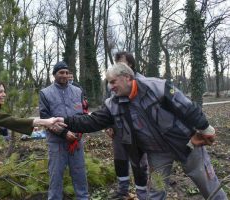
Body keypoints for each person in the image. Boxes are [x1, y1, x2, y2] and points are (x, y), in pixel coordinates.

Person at [54, 63, 227, 200]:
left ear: (127, 77)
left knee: (207, 182)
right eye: (109, 83)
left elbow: (186, 107)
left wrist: (204, 128)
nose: (110, 87)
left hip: (187, 144)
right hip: (157, 154)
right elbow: (92, 121)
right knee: (156, 191)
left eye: (113, 81)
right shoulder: (113, 104)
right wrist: (65, 121)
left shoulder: (157, 87)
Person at [39, 61, 89, 200]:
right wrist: (64, 133)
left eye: (67, 72)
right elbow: (45, 118)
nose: (65, 75)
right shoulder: (45, 93)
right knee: (55, 177)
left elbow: (82, 115)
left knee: (80, 176)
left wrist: (78, 133)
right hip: (57, 143)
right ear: (54, 74)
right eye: (61, 72)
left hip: (76, 142)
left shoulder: (78, 91)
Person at [105, 51, 148, 200]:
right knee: (120, 159)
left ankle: (143, 194)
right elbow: (111, 106)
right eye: (117, 63)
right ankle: (123, 189)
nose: (119, 66)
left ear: (130, 64)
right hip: (118, 127)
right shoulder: (114, 81)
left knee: (139, 163)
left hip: (136, 130)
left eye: (122, 63)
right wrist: (109, 125)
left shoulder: (141, 81)